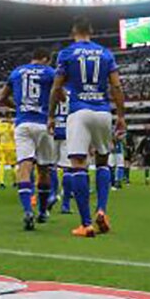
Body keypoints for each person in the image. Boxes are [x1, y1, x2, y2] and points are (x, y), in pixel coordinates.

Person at [48, 17, 125, 238]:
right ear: (91, 31)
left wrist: (51, 115)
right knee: (103, 161)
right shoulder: (105, 53)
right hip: (103, 111)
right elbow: (116, 86)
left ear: (73, 31)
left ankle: (86, 224)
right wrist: (121, 115)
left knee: (78, 165)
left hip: (79, 111)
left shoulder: (66, 53)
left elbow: (56, 88)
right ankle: (101, 210)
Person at [0, 48, 56, 230]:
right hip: (43, 124)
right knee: (44, 170)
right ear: (46, 59)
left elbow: (1, 97)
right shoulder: (50, 72)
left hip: (23, 124)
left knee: (24, 167)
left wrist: (18, 108)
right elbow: (60, 94)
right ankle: (43, 211)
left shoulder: (17, 72)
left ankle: (27, 211)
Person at [51, 91, 72, 213]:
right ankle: (66, 205)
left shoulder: (51, 92)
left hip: (52, 131)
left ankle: (53, 194)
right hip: (67, 132)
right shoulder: (71, 94)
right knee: (67, 169)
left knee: (51, 166)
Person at [0, 115, 17, 188]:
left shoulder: (0, 125)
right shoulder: (11, 125)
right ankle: (15, 181)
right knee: (13, 165)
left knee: (1, 165)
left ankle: (1, 181)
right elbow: (14, 134)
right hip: (11, 147)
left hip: (2, 146)